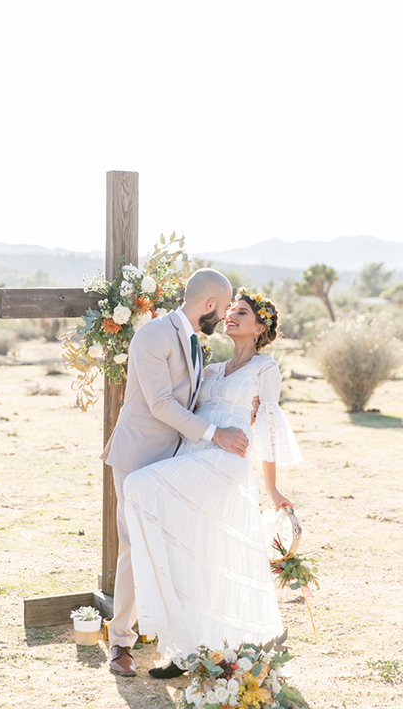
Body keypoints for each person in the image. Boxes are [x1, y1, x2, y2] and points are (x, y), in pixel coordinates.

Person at [123, 288, 303, 677]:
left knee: (138, 485)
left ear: (259, 329)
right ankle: (187, 652)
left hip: (225, 462)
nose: (230, 316)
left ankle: (219, 644)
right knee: (191, 553)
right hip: (192, 454)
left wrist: (270, 489)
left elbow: (268, 428)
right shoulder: (211, 368)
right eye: (230, 310)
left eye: (241, 312)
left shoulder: (265, 369)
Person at [101, 269, 253, 678]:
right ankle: (120, 642)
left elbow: (196, 398)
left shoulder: (194, 343)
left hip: (174, 463)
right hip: (137, 457)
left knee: (170, 549)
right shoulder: (152, 335)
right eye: (222, 310)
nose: (223, 318)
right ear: (208, 305)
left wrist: (243, 408)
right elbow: (161, 405)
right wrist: (216, 435)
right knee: (134, 546)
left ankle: (168, 636)